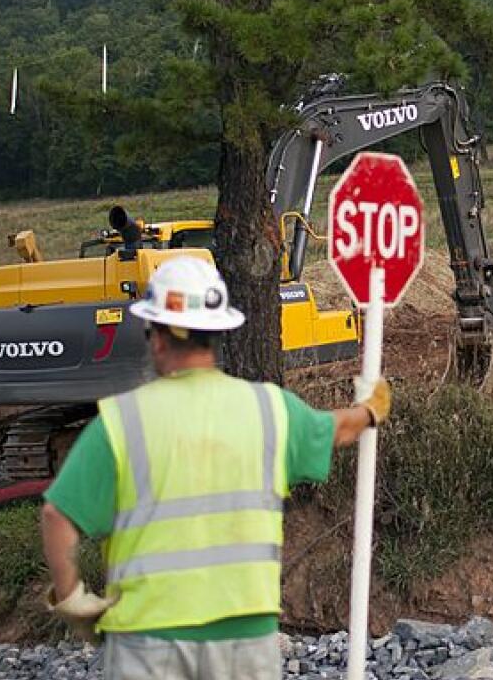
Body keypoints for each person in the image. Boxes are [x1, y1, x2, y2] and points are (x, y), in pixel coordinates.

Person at [38, 256, 391, 678]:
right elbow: (337, 429)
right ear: (217, 334)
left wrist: (72, 597)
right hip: (245, 639)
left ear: (156, 337)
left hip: (149, 638)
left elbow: (57, 516)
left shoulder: (121, 421)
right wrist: (370, 410)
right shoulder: (271, 410)